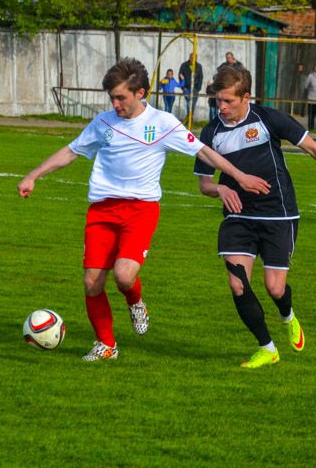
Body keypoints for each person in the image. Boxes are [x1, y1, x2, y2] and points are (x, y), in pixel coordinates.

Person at [17, 57, 270, 362]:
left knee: (124, 276)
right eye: (111, 97)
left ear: (140, 93)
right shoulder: (104, 123)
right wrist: (33, 175)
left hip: (140, 210)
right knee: (92, 282)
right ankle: (106, 345)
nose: (115, 104)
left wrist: (239, 176)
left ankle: (135, 302)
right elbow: (71, 151)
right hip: (101, 211)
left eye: (120, 97)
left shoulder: (162, 123)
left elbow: (204, 152)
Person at [195, 65, 316, 368]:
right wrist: (220, 189)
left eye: (228, 101)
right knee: (237, 284)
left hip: (278, 215)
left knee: (275, 288)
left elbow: (313, 148)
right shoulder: (210, 132)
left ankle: (288, 316)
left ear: (246, 97)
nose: (221, 107)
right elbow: (204, 184)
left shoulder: (268, 119)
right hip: (238, 217)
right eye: (218, 100)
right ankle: (267, 348)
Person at [178, 53, 203, 122]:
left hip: (195, 88)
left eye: (194, 57)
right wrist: (183, 87)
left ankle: (189, 119)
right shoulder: (184, 65)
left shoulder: (199, 66)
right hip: (186, 88)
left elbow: (201, 77)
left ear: (196, 58)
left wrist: (199, 88)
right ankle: (189, 120)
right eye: (191, 57)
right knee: (189, 103)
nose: (192, 59)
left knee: (193, 104)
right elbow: (180, 75)